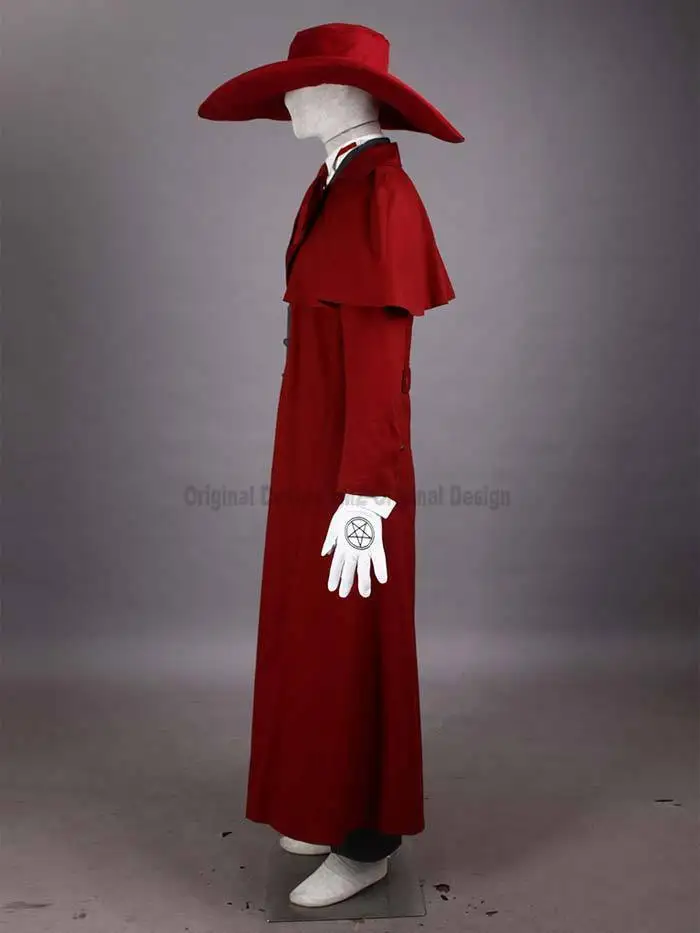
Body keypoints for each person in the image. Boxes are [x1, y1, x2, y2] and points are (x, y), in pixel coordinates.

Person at [198, 21, 463, 908]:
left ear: (350, 95)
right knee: (313, 630)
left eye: (303, 83)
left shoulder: (383, 193)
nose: (288, 99)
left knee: (355, 640)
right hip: (313, 446)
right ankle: (322, 800)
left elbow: (383, 366)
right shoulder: (334, 181)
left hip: (357, 461)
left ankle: (367, 837)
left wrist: (366, 496)